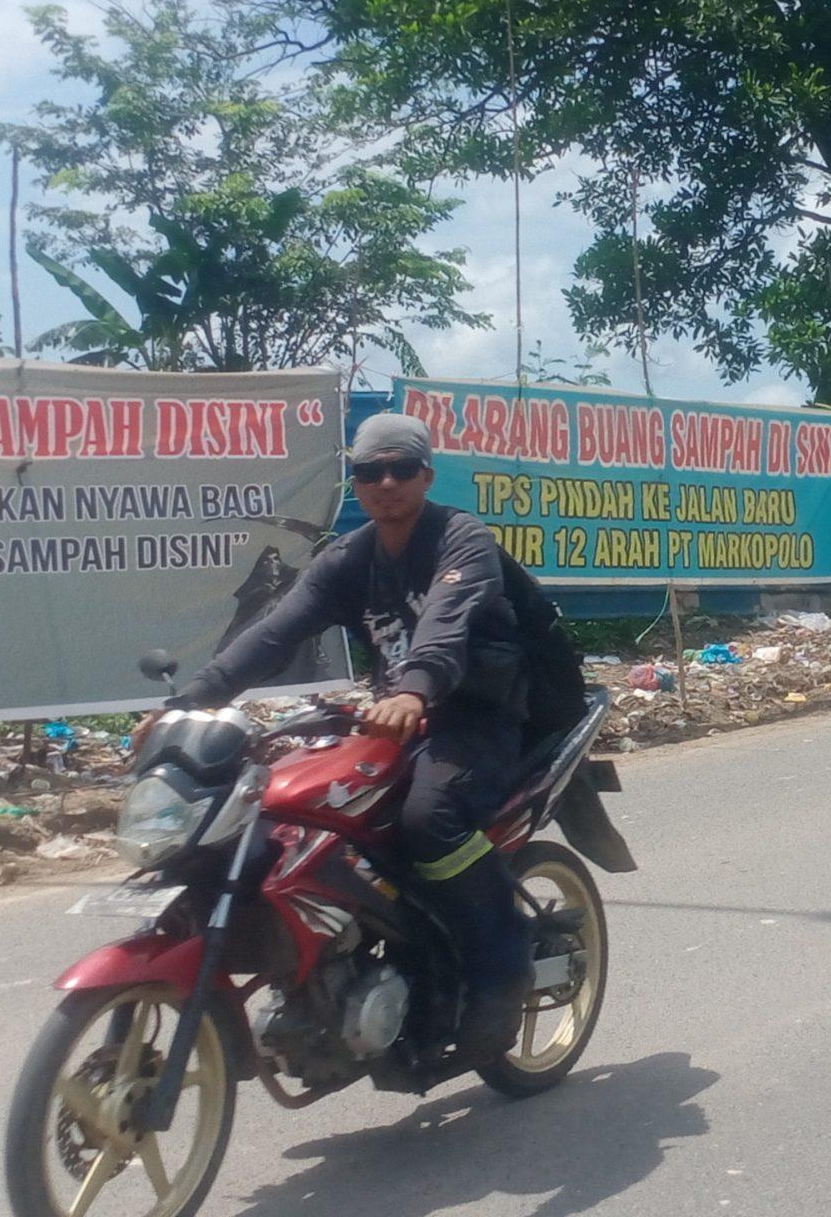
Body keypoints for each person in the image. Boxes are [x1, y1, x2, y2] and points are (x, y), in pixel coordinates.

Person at [161, 412, 547, 1068]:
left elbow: (446, 629)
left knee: (429, 820)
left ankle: (501, 963)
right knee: (296, 813)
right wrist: (192, 701)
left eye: (401, 469)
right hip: (395, 718)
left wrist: (414, 689)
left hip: (476, 718)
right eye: (371, 471)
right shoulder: (350, 558)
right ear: (356, 481)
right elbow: (274, 632)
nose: (386, 482)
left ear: (426, 474)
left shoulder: (461, 540)